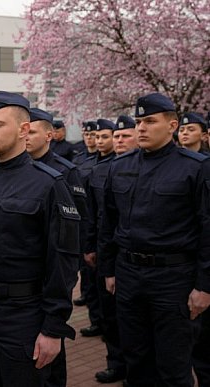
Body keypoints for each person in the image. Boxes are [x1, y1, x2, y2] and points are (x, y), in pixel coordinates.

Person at [0, 91, 79, 386]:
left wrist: (53, 329)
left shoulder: (48, 184)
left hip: (24, 314)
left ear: (23, 130)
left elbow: (62, 262)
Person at [99, 93, 210, 387]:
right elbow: (108, 222)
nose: (142, 128)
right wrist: (109, 269)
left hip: (173, 278)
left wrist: (204, 285)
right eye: (139, 122)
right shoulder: (119, 167)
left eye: (150, 121)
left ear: (172, 125)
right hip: (129, 275)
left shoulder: (196, 167)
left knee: (173, 365)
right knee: (136, 361)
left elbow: (207, 230)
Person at [26, 107, 90, 387]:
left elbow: (78, 223)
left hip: (52, 271)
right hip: (23, 275)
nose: (24, 136)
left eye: (31, 131)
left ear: (49, 134)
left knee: (51, 350)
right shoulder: (11, 171)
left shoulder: (65, 172)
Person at [88, 114, 137, 384]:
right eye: (115, 136)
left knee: (132, 321)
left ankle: (134, 369)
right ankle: (116, 363)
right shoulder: (101, 169)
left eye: (123, 136)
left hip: (134, 258)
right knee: (110, 316)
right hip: (109, 255)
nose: (119, 141)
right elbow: (97, 217)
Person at [77, 119, 117, 335]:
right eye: (96, 136)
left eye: (104, 136)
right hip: (92, 232)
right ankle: (98, 321)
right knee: (93, 285)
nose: (98, 141)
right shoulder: (87, 162)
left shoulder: (116, 166)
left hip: (111, 238)